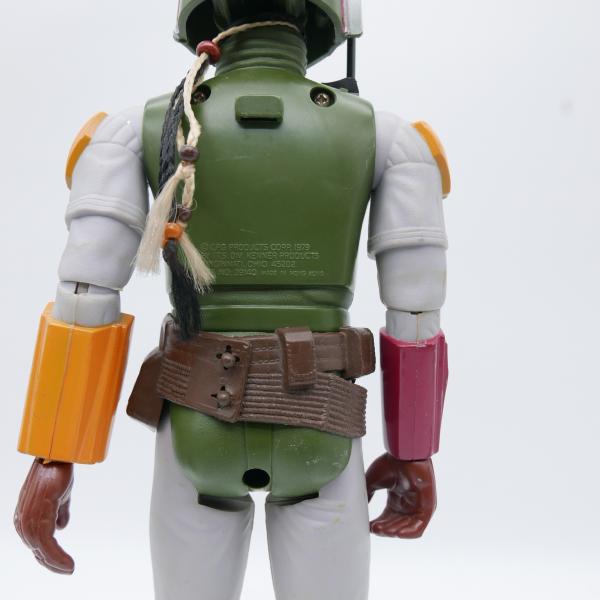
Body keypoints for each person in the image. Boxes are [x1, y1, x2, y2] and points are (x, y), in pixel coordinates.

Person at [14, 2, 450, 598]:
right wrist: (414, 450)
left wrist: (54, 454)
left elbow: (86, 297)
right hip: (322, 420)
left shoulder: (135, 129)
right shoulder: (391, 138)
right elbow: (417, 312)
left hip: (196, 419)